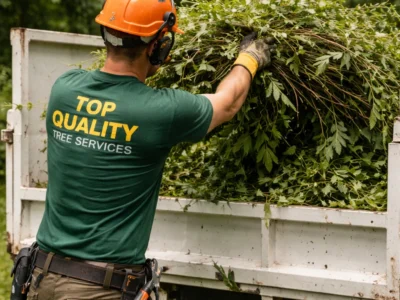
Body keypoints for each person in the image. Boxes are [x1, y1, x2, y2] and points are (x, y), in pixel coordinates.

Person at [26, 0, 276, 299]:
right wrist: (250, 58)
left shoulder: (64, 88)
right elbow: (229, 101)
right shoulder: (159, 111)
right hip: (98, 290)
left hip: (42, 278)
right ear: (159, 46)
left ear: (106, 34)